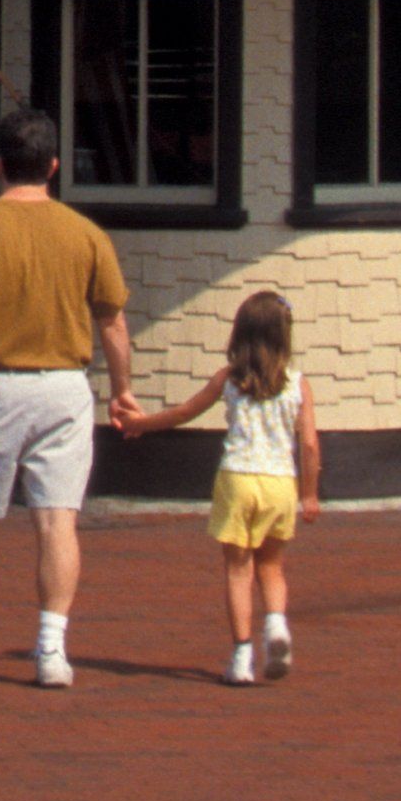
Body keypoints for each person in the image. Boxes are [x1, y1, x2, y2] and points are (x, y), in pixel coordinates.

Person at [0, 106, 130, 689]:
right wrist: (124, 391)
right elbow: (111, 320)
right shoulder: (86, 234)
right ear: (54, 166)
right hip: (64, 387)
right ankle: (51, 648)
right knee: (57, 521)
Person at [115, 290, 320, 685]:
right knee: (272, 566)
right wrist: (309, 493)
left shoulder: (229, 379)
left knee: (238, 569)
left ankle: (242, 655)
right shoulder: (298, 384)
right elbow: (309, 443)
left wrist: (141, 423)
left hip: (237, 478)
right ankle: (276, 626)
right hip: (280, 483)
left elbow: (184, 412)